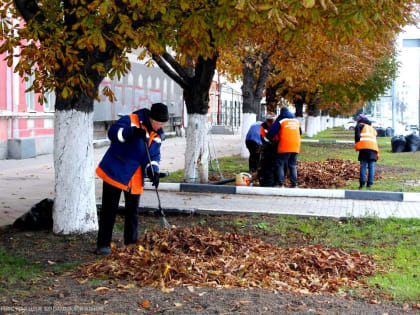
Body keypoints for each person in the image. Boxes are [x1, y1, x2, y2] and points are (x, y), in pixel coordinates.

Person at [95, 103, 169, 255]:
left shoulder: (158, 135)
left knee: (132, 212)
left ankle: (131, 244)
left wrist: (153, 171)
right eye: (157, 123)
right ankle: (103, 245)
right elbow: (112, 133)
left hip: (135, 175)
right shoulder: (132, 120)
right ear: (150, 118)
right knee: (110, 209)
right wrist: (131, 133)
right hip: (116, 169)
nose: (158, 127)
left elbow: (153, 156)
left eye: (162, 125)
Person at [266, 106, 301, 188]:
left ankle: (280, 184)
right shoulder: (296, 120)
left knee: (280, 164)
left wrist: (268, 139)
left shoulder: (281, 120)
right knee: (292, 165)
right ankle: (294, 184)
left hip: (285, 145)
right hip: (296, 145)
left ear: (281, 113)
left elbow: (272, 132)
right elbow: (300, 132)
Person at [354, 114, 379, 189]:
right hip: (374, 148)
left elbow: (357, 136)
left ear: (359, 120)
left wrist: (357, 144)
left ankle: (362, 184)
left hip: (364, 148)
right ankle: (370, 184)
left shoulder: (359, 126)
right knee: (371, 166)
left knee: (363, 166)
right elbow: (375, 135)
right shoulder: (371, 127)